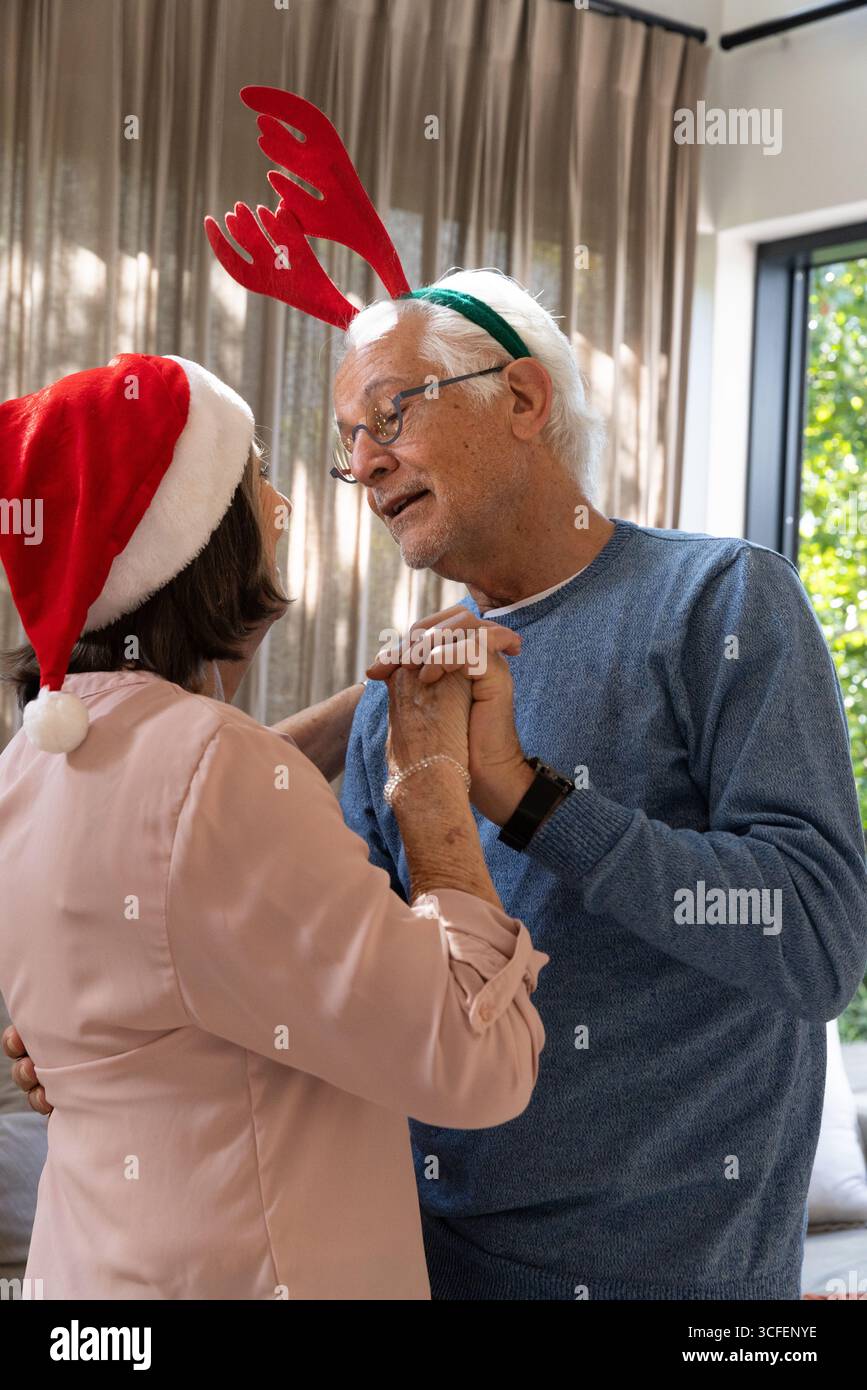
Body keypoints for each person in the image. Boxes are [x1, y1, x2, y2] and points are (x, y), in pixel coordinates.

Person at [331, 267, 867, 1300]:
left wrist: (533, 801)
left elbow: (816, 943)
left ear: (522, 399)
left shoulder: (720, 600)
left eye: (389, 413)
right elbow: (349, 983)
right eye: (347, 439)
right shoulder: (395, 697)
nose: (363, 464)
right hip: (416, 1266)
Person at [0, 351, 547, 1300]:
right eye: (252, 473)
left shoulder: (35, 760)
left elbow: (180, 827)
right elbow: (478, 1063)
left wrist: (374, 698)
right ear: (200, 537)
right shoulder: (214, 771)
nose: (279, 494)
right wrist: (427, 790)